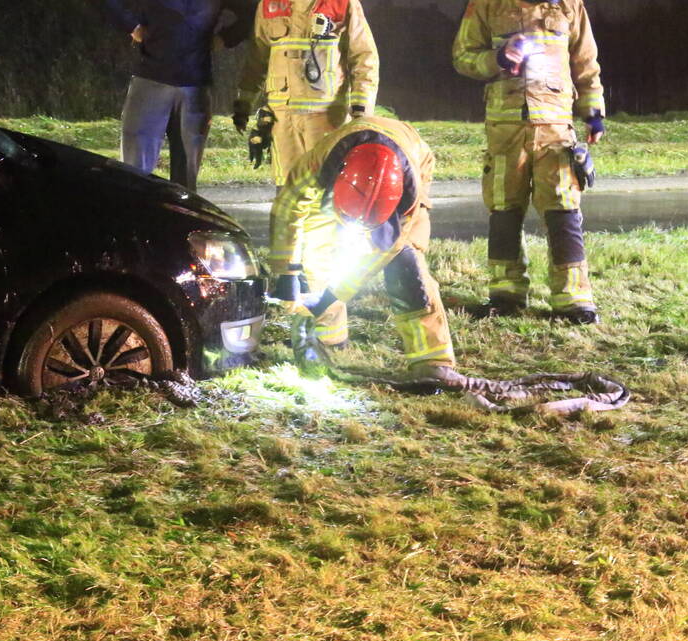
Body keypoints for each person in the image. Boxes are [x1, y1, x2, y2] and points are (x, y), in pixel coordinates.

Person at [269, 116, 464, 386]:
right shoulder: (317, 165)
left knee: (407, 267)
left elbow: (381, 253)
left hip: (416, 158)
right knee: (317, 245)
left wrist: (334, 294)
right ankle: (330, 339)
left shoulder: (408, 196)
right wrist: (286, 270)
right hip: (350, 166)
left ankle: (433, 362)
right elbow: (288, 209)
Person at [452, 0, 606, 324]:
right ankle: (505, 295)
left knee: (563, 209)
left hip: (555, 126)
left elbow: (585, 62)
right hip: (505, 127)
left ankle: (573, 300)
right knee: (505, 210)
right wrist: (496, 58)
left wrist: (594, 115)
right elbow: (463, 57)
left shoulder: (569, 5)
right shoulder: (485, 5)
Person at [96, 0, 253, 189]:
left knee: (184, 184)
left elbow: (251, 12)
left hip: (192, 86)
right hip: (153, 80)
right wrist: (131, 25)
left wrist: (226, 38)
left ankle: (177, 217)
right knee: (134, 175)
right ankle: (137, 215)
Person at [232, 0, 379, 189]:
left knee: (328, 189)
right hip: (282, 120)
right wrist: (243, 104)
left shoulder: (342, 3)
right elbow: (257, 60)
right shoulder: (269, 4)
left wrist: (362, 112)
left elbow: (363, 57)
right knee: (287, 189)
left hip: (327, 119)